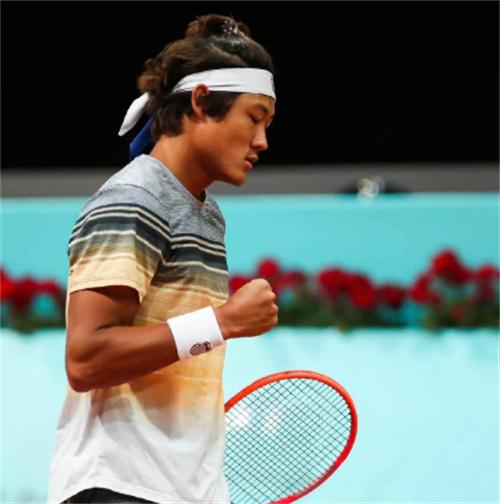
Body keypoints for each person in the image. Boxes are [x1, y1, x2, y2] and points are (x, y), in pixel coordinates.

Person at [47, 13, 278, 504]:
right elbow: (86, 359)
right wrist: (222, 322)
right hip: (118, 486)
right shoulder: (136, 199)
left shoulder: (205, 214)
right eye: (253, 118)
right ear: (201, 102)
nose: (262, 141)